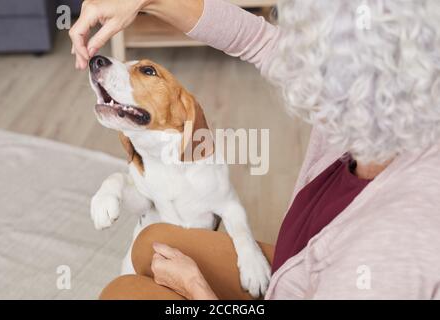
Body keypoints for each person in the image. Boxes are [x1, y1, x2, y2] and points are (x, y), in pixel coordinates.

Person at [70, 0, 440, 299]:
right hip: (297, 267)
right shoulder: (376, 110)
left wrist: (198, 292)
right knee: (149, 243)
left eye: (308, 53)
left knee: (122, 293)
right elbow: (258, 40)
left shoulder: (396, 243)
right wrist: (146, 0)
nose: (293, 66)